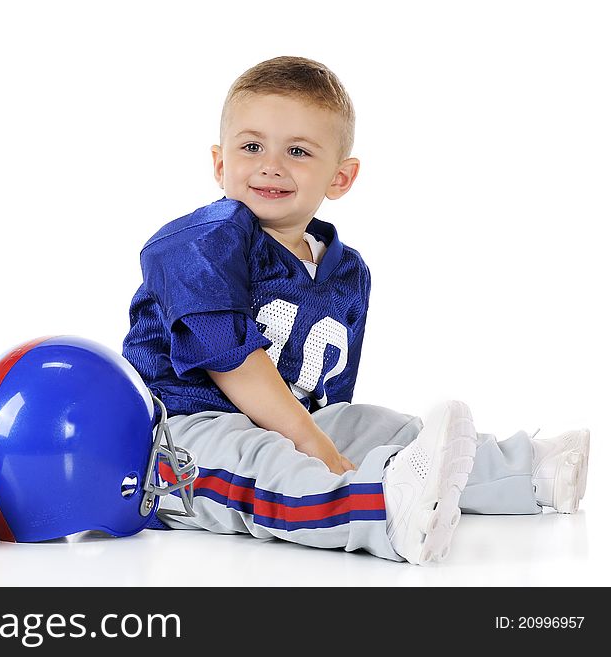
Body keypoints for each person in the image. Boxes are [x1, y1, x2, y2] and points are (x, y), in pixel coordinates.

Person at [121, 56, 589, 565]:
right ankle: (381, 509)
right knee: (264, 462)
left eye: (297, 151)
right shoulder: (202, 242)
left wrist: (329, 436)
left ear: (341, 177)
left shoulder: (347, 272)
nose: (270, 164)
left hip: (292, 419)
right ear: (219, 163)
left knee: (375, 426)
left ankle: (529, 473)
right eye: (251, 146)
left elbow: (332, 395)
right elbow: (228, 358)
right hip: (180, 435)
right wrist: (313, 443)